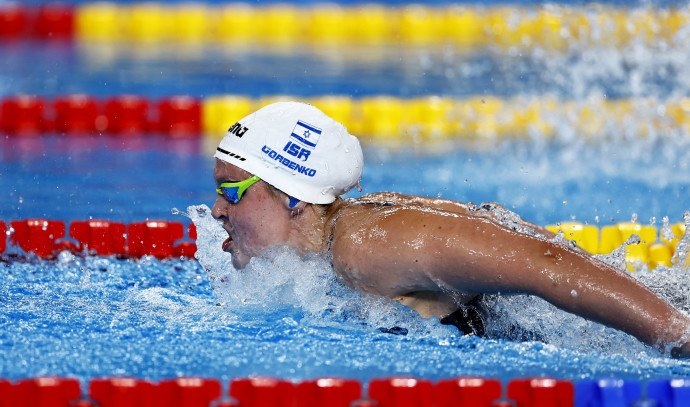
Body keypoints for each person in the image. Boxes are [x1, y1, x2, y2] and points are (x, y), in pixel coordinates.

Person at [211, 101, 690, 357]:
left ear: (293, 197)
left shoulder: (365, 247)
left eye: (231, 191)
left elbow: (548, 263)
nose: (216, 210)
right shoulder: (343, 240)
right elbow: (499, 223)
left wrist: (677, 334)